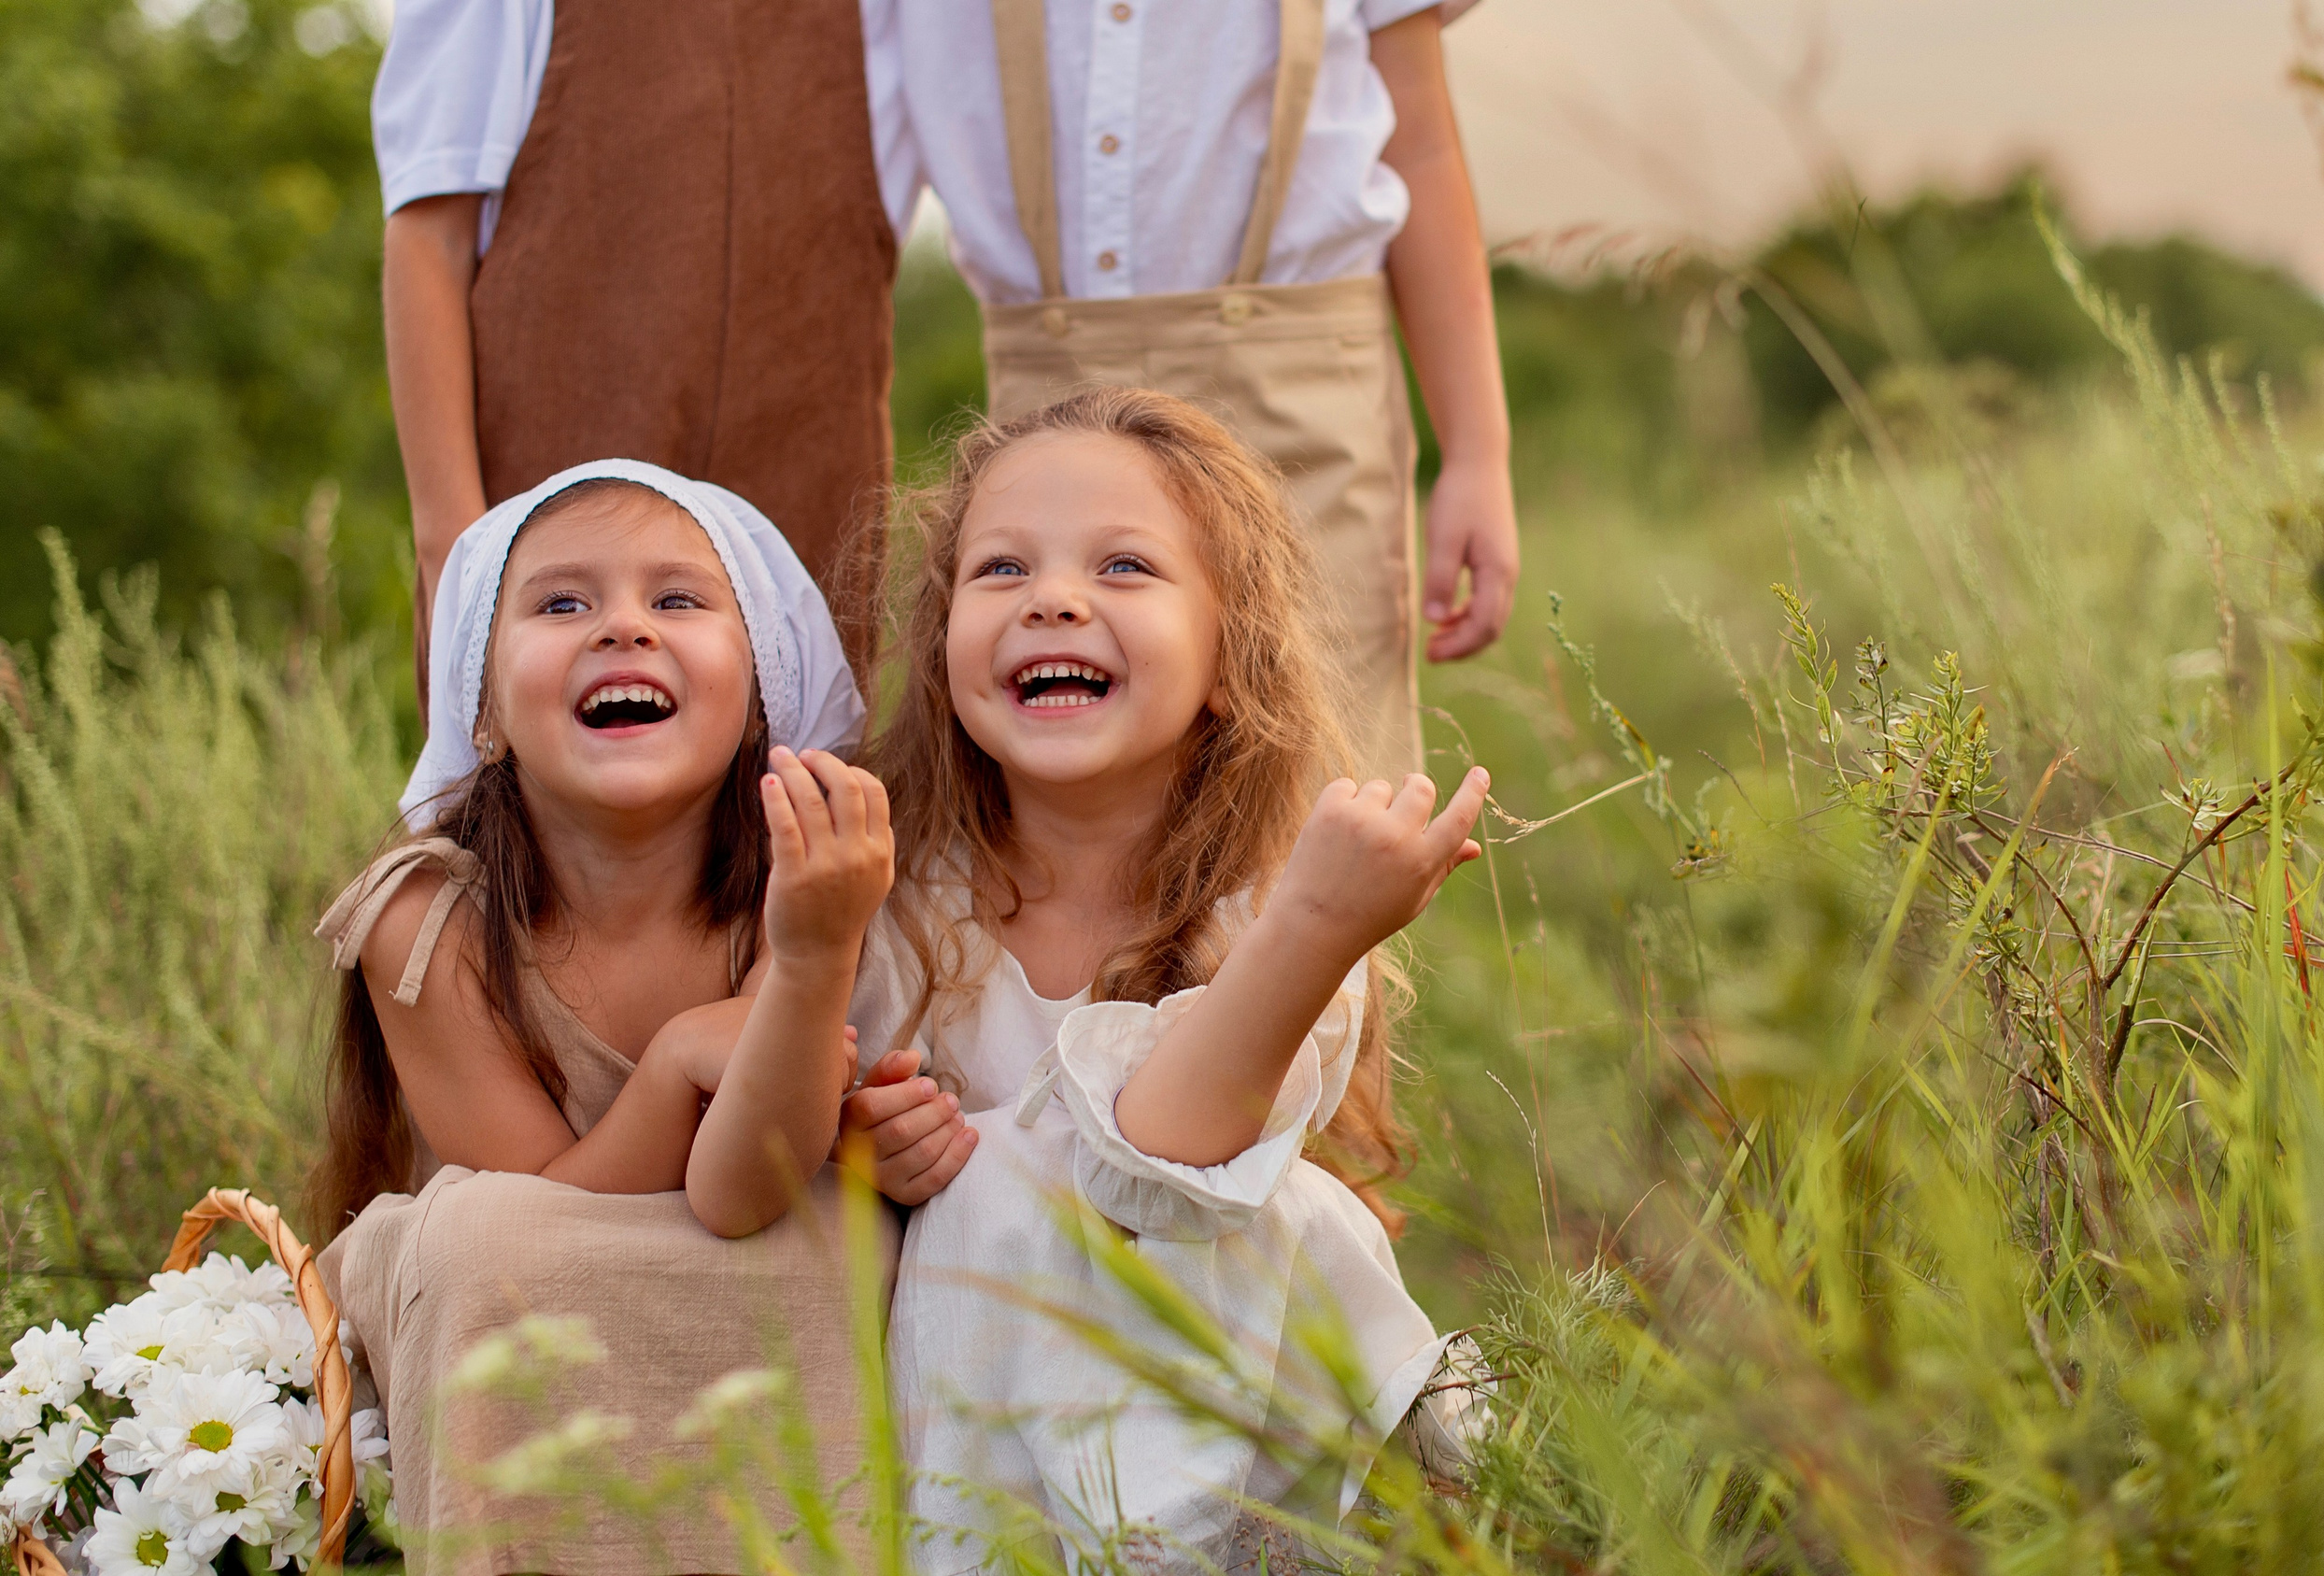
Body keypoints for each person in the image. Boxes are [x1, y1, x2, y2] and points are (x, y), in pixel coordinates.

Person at [833, 389, 1485, 1567]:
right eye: (1000, 569)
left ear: (1230, 660)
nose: (1055, 597)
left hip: (1229, 1429)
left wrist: (1321, 927)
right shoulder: (889, 900)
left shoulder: (1278, 907)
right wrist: (854, 1137)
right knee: (985, 1186)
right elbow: (791, 1118)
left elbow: (1163, 1162)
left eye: (1124, 565)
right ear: (939, 650)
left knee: (1040, 1179)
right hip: (973, 1428)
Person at [311, 460, 893, 1573]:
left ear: (765, 687)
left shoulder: (808, 879)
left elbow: (747, 1189)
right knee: (484, 1234)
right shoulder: (425, 915)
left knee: (843, 1230)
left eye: (677, 600)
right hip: (513, 1303)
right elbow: (544, 1230)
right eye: (561, 603)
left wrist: (813, 969)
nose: (622, 627)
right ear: (480, 703)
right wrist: (680, 1059)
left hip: (748, 1251)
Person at [881, 0, 1519, 783]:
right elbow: (847, 198)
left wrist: (1477, 453)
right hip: (1049, 410)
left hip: (1301, 397)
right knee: (1067, 797)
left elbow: (1419, 146)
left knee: (1321, 783)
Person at [372, 0, 903, 705]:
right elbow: (429, 238)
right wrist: (459, 566)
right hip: (549, 491)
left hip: (807, 505)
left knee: (792, 800)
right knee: (540, 803)